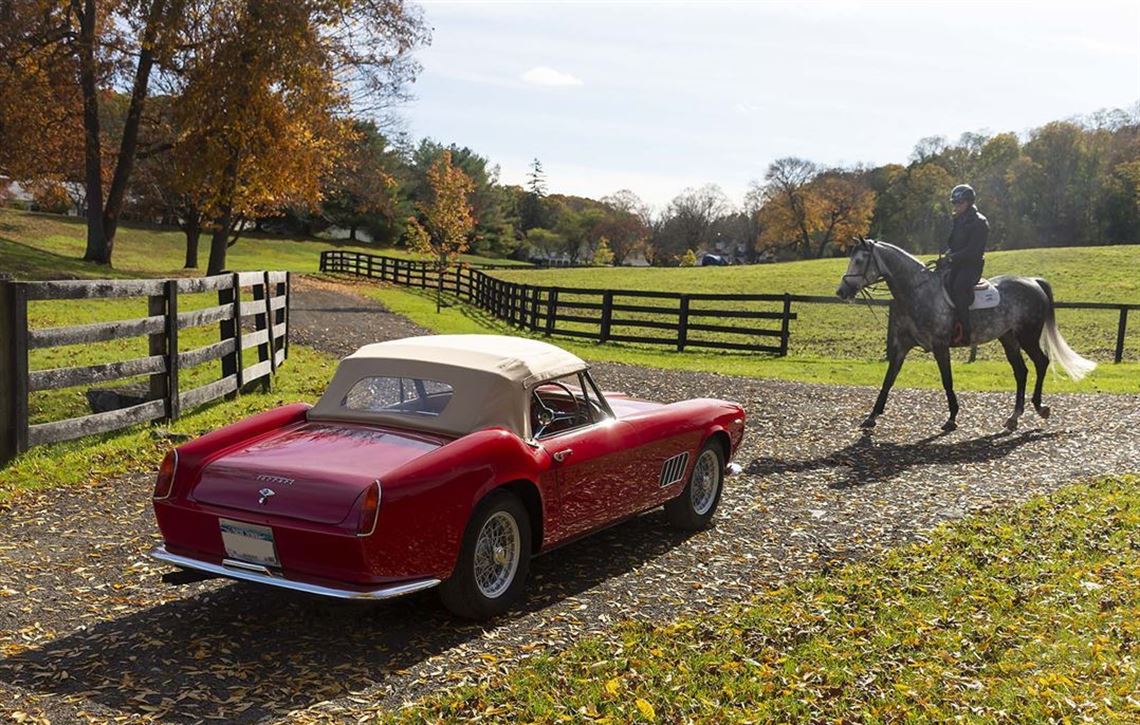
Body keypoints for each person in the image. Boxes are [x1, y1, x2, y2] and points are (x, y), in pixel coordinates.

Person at [943, 183, 988, 345]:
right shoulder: (958, 220)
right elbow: (953, 244)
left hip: (971, 266)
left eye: (959, 203)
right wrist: (947, 255)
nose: (956, 206)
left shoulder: (979, 222)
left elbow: (973, 251)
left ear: (968, 202)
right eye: (954, 203)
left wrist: (952, 258)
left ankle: (966, 332)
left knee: (959, 288)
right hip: (955, 264)